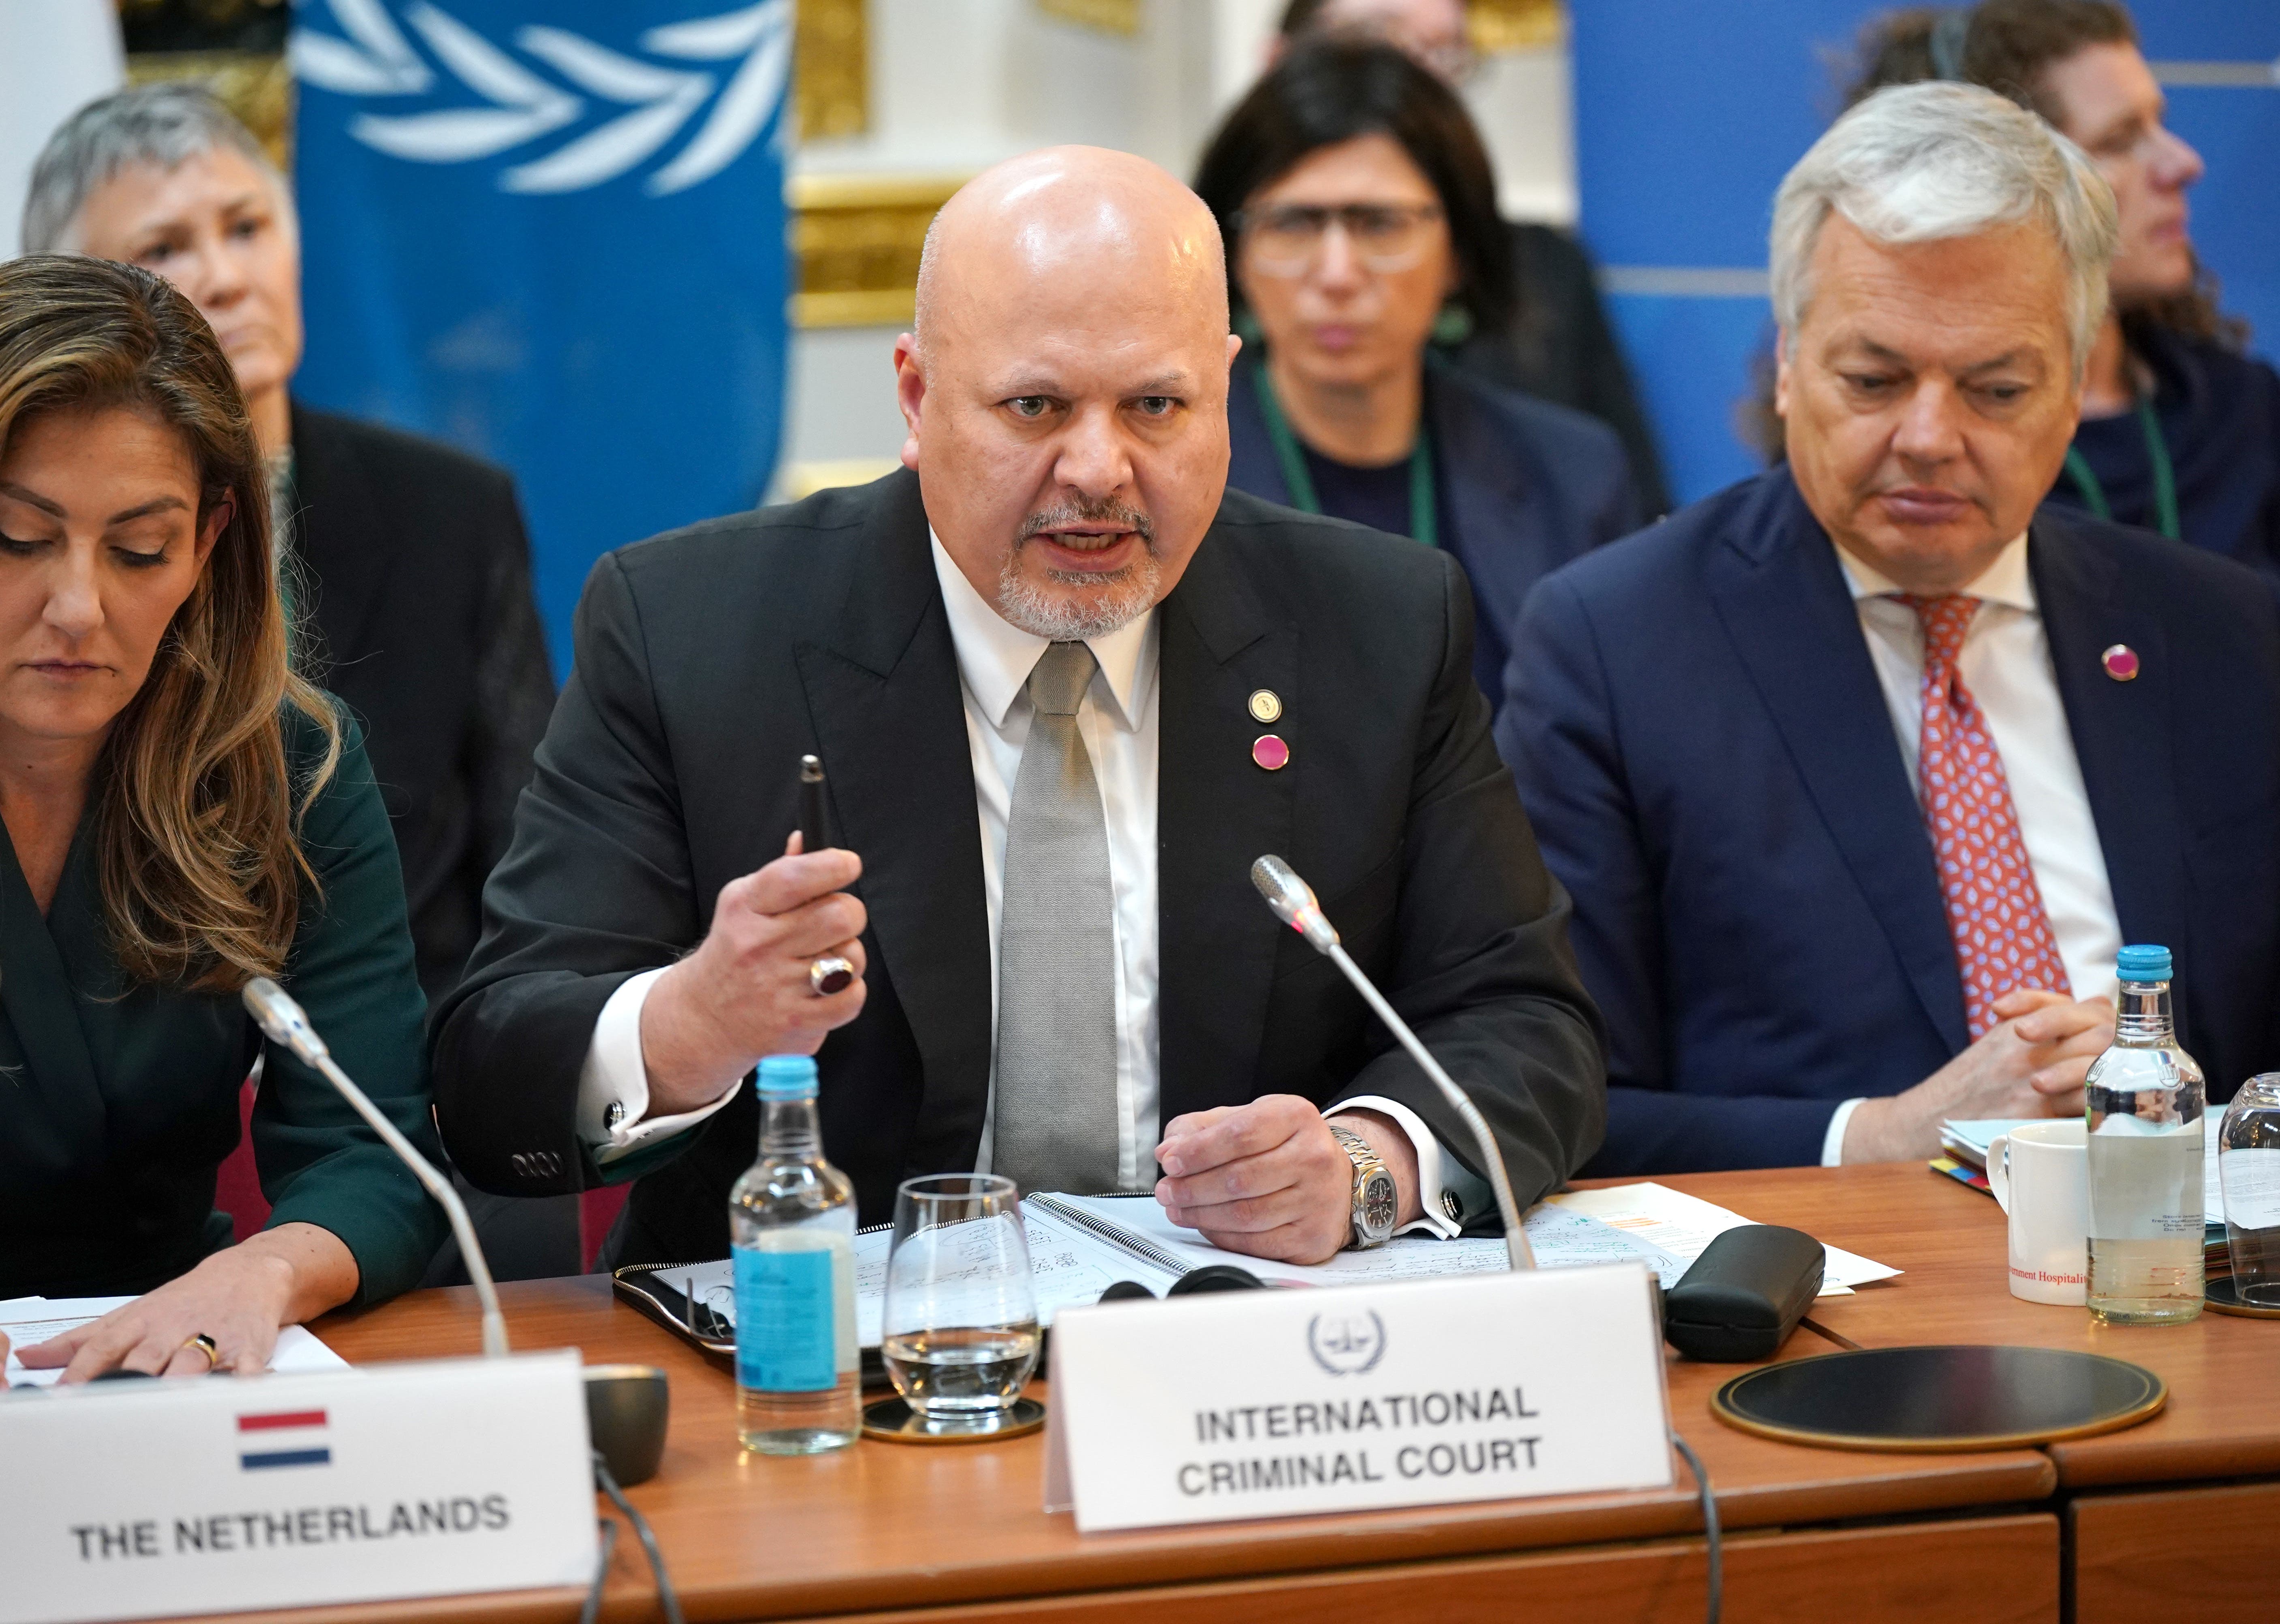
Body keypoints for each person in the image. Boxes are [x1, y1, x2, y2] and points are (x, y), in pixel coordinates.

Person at [431, 146, 1606, 1268]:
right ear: (915, 396)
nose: (1099, 469)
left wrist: (1363, 1165)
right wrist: (695, 1019)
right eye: (1037, 409)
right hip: (826, 1366)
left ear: (1225, 396)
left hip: (1234, 1351)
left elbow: (1524, 1024)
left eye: (1156, 407)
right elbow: (491, 1079)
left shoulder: (1381, 624)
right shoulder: (688, 626)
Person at [1496, 82, 2280, 1176]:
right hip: (1832, 1300)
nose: (1928, 437)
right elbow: (1550, 1100)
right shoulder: (1617, 648)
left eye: (1996, 390)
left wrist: (2185, 1107)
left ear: (2074, 391)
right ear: (1785, 367)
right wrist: (1881, 1136)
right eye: (1872, 379)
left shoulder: (2224, 637)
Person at [0, 256, 448, 1432]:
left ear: (212, 539)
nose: (80, 607)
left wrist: (261, 1276)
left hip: (169, 1390)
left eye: (138, 549)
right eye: (19, 539)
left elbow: (376, 1158)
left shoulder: (290, 771)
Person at [24, 86, 570, 1281]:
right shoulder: (27, 582)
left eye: (245, 226)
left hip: (404, 1108)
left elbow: (528, 879)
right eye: (163, 248)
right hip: (117, 1120)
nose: (220, 276)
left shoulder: (448, 512)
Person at [1196, 39, 1640, 708]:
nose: (1338, 274)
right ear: (1232, 253)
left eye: (1380, 224)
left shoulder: (1574, 478)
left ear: (1459, 251)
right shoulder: (1166, 477)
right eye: (1292, 223)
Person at [1840, 1, 2280, 578]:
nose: (2184, 163)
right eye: (2121, 140)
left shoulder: (2241, 408)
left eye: (2158, 125)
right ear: (1988, 188)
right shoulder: (1918, 466)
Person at [1275, 0, 1671, 519]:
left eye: (1443, 49)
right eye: (1379, 36)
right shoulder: (1193, 269)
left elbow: (1635, 520)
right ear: (1277, 59)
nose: (1418, 73)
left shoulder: (1545, 273)